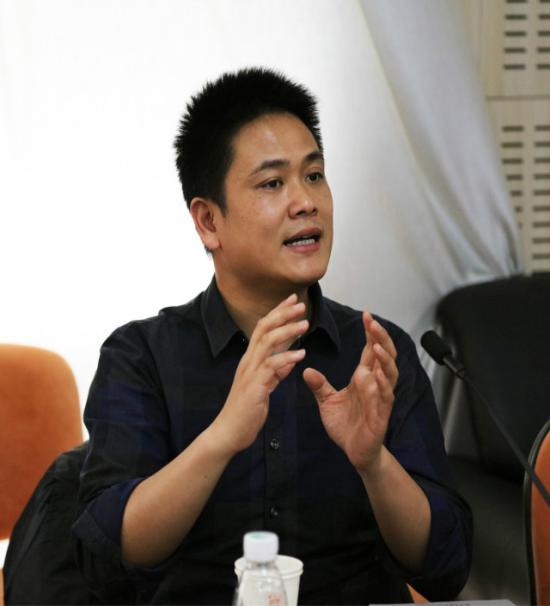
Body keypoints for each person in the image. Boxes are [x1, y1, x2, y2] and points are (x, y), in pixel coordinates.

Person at [73, 67, 472, 605]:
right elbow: (107, 561)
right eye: (272, 183)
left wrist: (375, 463)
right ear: (208, 221)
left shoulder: (375, 352)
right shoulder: (141, 356)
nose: (305, 202)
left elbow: (444, 568)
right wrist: (223, 435)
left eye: (314, 175)